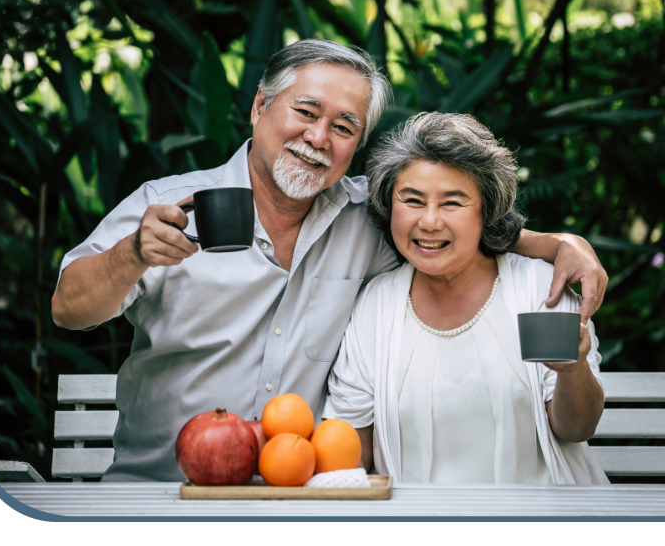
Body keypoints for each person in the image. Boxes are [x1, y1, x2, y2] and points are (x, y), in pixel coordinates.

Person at [51, 39, 608, 482]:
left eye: (344, 127)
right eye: (306, 111)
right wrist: (133, 254)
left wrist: (560, 245)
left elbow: (450, 228)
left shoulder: (370, 215)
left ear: (357, 144)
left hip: (295, 496)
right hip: (161, 489)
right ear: (259, 108)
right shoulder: (168, 205)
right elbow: (68, 309)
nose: (318, 137)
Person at [324, 112, 608, 484]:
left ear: (486, 212)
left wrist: (573, 369)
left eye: (452, 203)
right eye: (412, 200)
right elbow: (350, 439)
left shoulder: (539, 288)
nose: (429, 221)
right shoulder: (377, 304)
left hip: (543, 524)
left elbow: (577, 429)